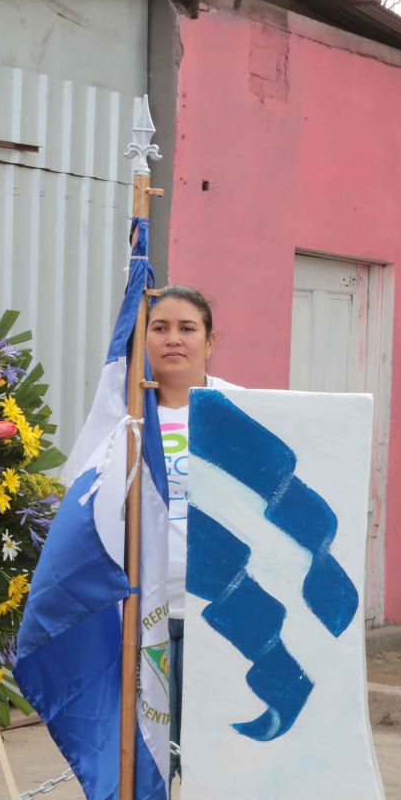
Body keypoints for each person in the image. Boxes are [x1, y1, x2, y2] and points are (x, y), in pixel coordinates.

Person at [143, 285, 240, 774]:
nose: (173, 339)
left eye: (187, 328)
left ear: (210, 341)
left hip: (221, 617)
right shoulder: (125, 419)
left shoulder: (241, 412)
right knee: (151, 764)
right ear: (143, 339)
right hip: (144, 618)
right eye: (160, 328)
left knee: (216, 766)